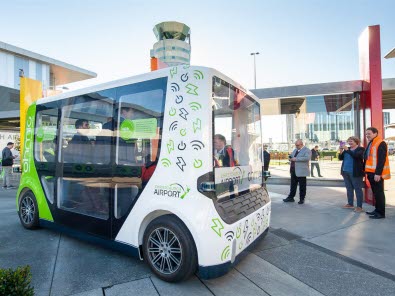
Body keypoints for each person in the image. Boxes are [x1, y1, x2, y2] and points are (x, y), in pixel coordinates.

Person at [364, 127, 391, 219]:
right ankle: (377, 210)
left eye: (369, 133)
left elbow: (381, 160)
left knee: (379, 193)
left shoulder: (381, 143)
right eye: (366, 134)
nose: (367, 135)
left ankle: (381, 213)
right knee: (375, 193)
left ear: (375, 133)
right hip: (371, 172)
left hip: (376, 173)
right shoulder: (372, 143)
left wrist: (378, 173)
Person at [338, 137, 365, 212]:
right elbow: (340, 158)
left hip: (355, 172)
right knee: (349, 188)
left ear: (356, 142)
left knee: (358, 189)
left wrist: (347, 150)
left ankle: (359, 206)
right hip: (345, 172)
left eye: (351, 141)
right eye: (348, 141)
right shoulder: (348, 149)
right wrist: (341, 151)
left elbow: (356, 156)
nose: (350, 143)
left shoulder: (361, 149)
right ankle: (350, 204)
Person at [283, 139, 311, 204]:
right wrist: (290, 157)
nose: (296, 146)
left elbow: (307, 158)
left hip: (301, 171)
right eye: (295, 145)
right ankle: (291, 197)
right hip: (293, 170)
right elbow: (292, 156)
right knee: (293, 185)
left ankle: (302, 199)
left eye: (297, 145)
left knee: (302, 186)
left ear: (301, 144)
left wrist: (296, 159)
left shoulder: (307, 150)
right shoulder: (295, 150)